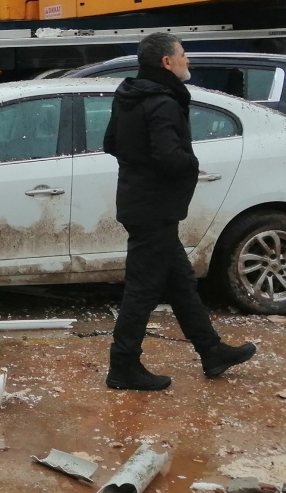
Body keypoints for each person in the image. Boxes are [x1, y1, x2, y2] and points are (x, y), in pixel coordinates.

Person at [102, 32, 256, 391]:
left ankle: (212, 351)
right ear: (166, 63)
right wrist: (192, 164)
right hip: (154, 208)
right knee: (142, 290)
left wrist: (139, 166)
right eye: (183, 55)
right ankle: (122, 366)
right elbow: (170, 158)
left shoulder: (128, 95)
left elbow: (111, 143)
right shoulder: (163, 101)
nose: (189, 61)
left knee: (182, 283)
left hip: (140, 203)